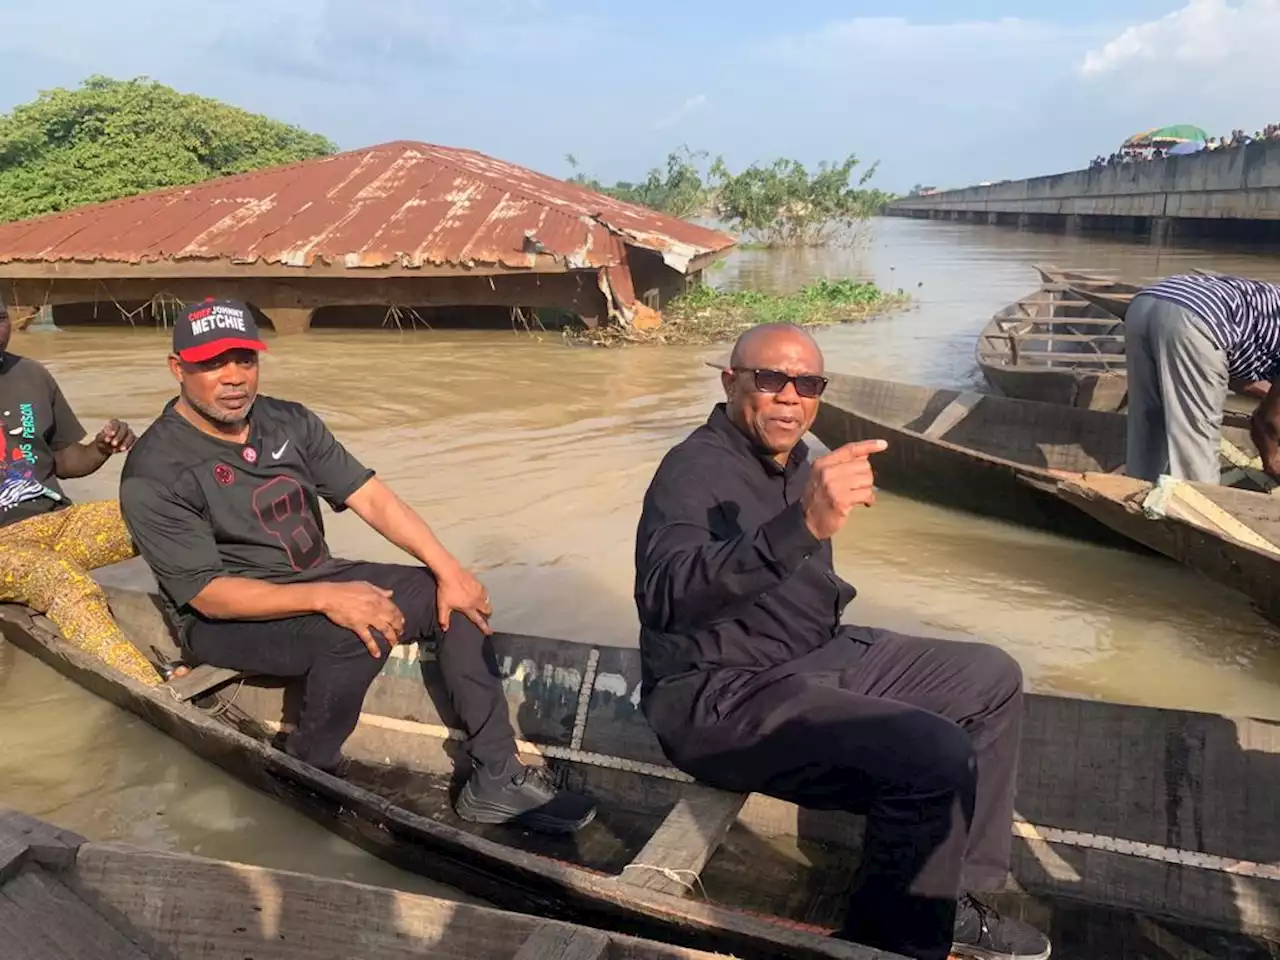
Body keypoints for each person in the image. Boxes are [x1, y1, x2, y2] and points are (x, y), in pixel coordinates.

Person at [632, 323, 1051, 960]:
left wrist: (807, 514)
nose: (789, 398)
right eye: (769, 380)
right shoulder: (691, 470)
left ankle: (955, 898)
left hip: (816, 656)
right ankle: (891, 944)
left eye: (807, 384)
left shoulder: (802, 461)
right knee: (932, 756)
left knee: (990, 678)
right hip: (721, 694)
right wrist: (799, 525)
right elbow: (663, 596)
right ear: (730, 382)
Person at [119, 298, 595, 834]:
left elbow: (372, 498)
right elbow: (207, 594)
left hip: (314, 579)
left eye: (244, 360)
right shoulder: (155, 470)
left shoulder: (288, 421)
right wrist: (328, 598)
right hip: (223, 621)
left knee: (449, 598)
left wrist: (450, 569)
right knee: (352, 630)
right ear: (178, 368)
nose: (233, 378)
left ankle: (496, 776)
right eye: (212, 364)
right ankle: (308, 767)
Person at [0, 294, 158, 686]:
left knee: (163, 513)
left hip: (57, 522)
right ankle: (153, 689)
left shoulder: (31, 375)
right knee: (62, 580)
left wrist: (102, 446)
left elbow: (63, 461)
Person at [1124, 272, 1280, 484]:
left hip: (1148, 302)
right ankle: (1194, 506)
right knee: (1195, 438)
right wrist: (1272, 462)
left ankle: (1137, 494)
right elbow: (1267, 422)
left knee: (1148, 421)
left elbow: (1240, 377)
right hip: (1199, 317)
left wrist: (1271, 401)